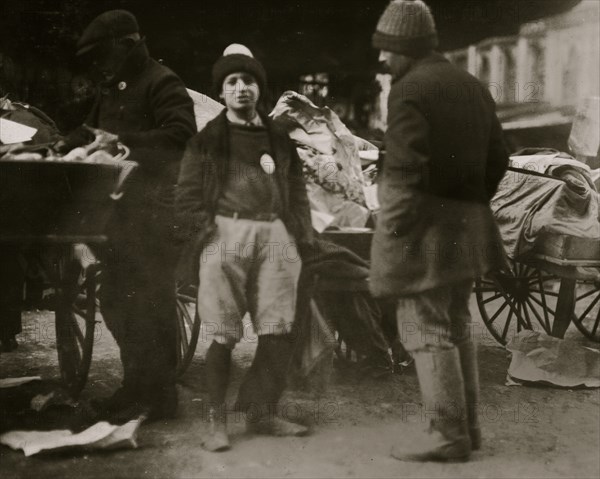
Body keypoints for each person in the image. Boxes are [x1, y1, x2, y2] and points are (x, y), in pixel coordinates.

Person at [370, 0, 509, 462]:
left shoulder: (409, 91)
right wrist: (470, 200)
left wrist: (390, 225)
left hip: (425, 231)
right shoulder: (471, 85)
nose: (382, 60)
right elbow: (500, 157)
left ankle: (446, 436)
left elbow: (404, 170)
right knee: (457, 323)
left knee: (424, 327)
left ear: (407, 48)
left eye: (387, 49)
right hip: (467, 227)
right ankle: (467, 430)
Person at [176, 44, 313, 452]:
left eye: (249, 81)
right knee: (222, 331)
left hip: (274, 236)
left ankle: (261, 413)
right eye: (232, 82)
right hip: (225, 236)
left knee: (278, 328)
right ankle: (216, 421)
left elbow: (297, 191)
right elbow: (186, 197)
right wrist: (209, 232)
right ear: (221, 92)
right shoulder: (206, 141)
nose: (241, 88)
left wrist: (298, 234)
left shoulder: (279, 140)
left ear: (260, 88)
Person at [67, 10, 196, 420]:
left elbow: (181, 136)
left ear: (127, 46)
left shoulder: (162, 81)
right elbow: (90, 132)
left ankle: (158, 398)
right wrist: (58, 143)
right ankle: (136, 387)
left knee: (150, 304)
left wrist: (122, 143)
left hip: (155, 213)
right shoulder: (111, 87)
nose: (100, 66)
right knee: (118, 302)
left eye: (104, 56)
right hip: (118, 215)